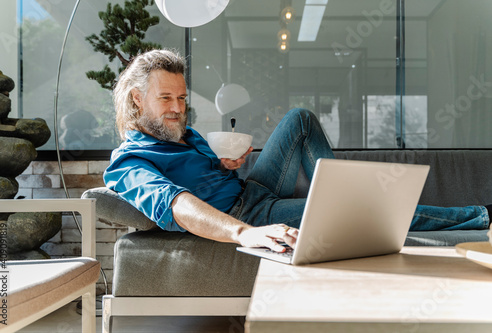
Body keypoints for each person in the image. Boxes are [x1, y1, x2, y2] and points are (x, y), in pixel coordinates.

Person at [104, 49, 491, 253]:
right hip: (248, 212)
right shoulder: (128, 164)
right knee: (371, 209)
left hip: (251, 188)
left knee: (300, 119)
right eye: (166, 98)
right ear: (137, 99)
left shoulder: (181, 133)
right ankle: (480, 216)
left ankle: (342, 198)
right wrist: (244, 233)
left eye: (182, 97)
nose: (177, 107)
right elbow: (177, 204)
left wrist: (224, 163)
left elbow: (204, 173)